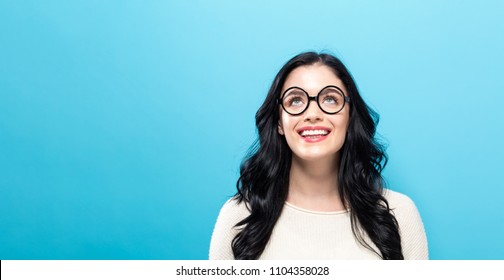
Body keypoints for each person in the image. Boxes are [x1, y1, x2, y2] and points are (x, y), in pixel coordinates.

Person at [209, 52, 428, 260]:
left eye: (330, 99)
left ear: (350, 117)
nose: (313, 115)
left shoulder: (400, 213)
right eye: (295, 100)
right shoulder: (238, 217)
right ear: (279, 123)